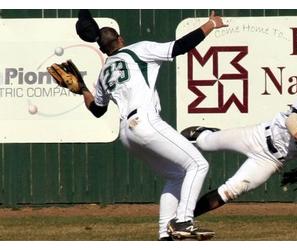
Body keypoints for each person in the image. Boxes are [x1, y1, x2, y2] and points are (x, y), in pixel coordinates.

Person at [78, 10, 227, 240]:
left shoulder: (104, 72)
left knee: (177, 175)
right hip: (145, 122)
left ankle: (164, 236)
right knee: (198, 165)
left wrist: (81, 89)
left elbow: (98, 110)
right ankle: (184, 221)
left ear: (102, 48)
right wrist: (210, 24)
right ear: (120, 40)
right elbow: (180, 46)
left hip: (126, 135)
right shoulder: (138, 50)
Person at [180, 89, 297, 217]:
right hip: (257, 135)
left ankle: (184, 219)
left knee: (231, 191)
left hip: (271, 160)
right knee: (206, 143)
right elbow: (293, 120)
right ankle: (204, 133)